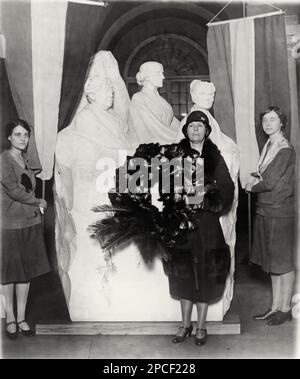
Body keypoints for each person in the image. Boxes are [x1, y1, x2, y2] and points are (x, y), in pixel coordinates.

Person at [165, 110, 234, 345]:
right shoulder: (175, 155)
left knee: (206, 273)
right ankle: (185, 325)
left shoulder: (215, 157)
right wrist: (177, 198)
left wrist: (208, 195)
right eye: (191, 126)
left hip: (206, 225)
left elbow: (227, 188)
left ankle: (201, 326)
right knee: (182, 272)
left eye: (200, 126)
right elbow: (165, 186)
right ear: (186, 131)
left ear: (207, 131)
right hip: (182, 224)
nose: (195, 129)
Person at [245, 106, 295, 325]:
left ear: (281, 123)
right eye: (265, 120)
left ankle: (285, 309)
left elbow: (271, 181)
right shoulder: (269, 145)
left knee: (283, 263)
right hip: (266, 209)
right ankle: (274, 306)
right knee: (273, 262)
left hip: (279, 211)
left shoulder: (284, 149)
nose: (268, 124)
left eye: (273, 120)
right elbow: (266, 173)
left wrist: (251, 186)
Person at [0, 119, 50, 339]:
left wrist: (36, 204)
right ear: (9, 137)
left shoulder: (25, 159)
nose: (22, 138)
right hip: (10, 224)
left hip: (29, 221)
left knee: (25, 272)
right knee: (10, 273)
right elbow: (14, 190)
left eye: (25, 135)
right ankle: (10, 318)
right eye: (18, 134)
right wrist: (38, 201)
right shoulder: (4, 160)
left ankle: (21, 318)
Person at [129, 61, 180, 146]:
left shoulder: (162, 101)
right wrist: (177, 137)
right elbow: (154, 128)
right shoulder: (139, 98)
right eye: (159, 73)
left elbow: (174, 124)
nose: (163, 77)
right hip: (153, 148)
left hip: (167, 143)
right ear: (148, 76)